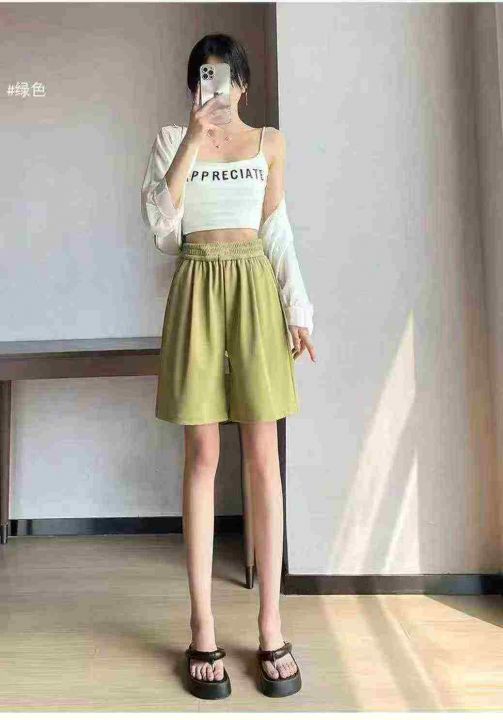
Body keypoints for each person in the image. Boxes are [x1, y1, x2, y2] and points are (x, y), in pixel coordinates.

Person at [141, 33, 316, 700]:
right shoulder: (170, 140)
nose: (213, 89)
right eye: (202, 78)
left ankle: (271, 627)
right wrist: (191, 140)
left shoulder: (269, 143)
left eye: (222, 78)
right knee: (203, 456)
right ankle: (202, 627)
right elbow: (161, 229)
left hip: (254, 290)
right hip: (195, 286)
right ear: (193, 85)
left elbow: (277, 229)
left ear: (242, 85)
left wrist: (298, 307)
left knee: (264, 458)